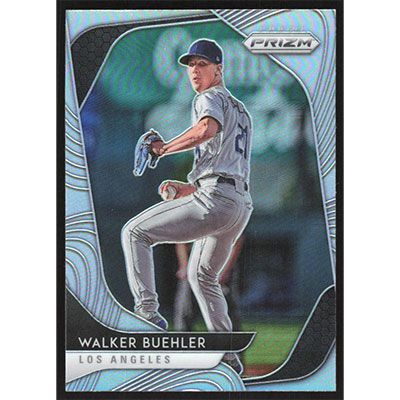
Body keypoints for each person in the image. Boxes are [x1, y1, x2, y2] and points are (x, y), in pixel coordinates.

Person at [121, 39, 253, 374]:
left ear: (219, 69)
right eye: (191, 65)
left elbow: (207, 129)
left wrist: (162, 148)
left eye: (202, 64)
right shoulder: (241, 110)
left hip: (217, 199)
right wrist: (191, 188)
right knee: (201, 276)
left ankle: (147, 315)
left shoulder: (208, 97)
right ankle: (227, 353)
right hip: (237, 204)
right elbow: (228, 166)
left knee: (134, 232)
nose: (194, 70)